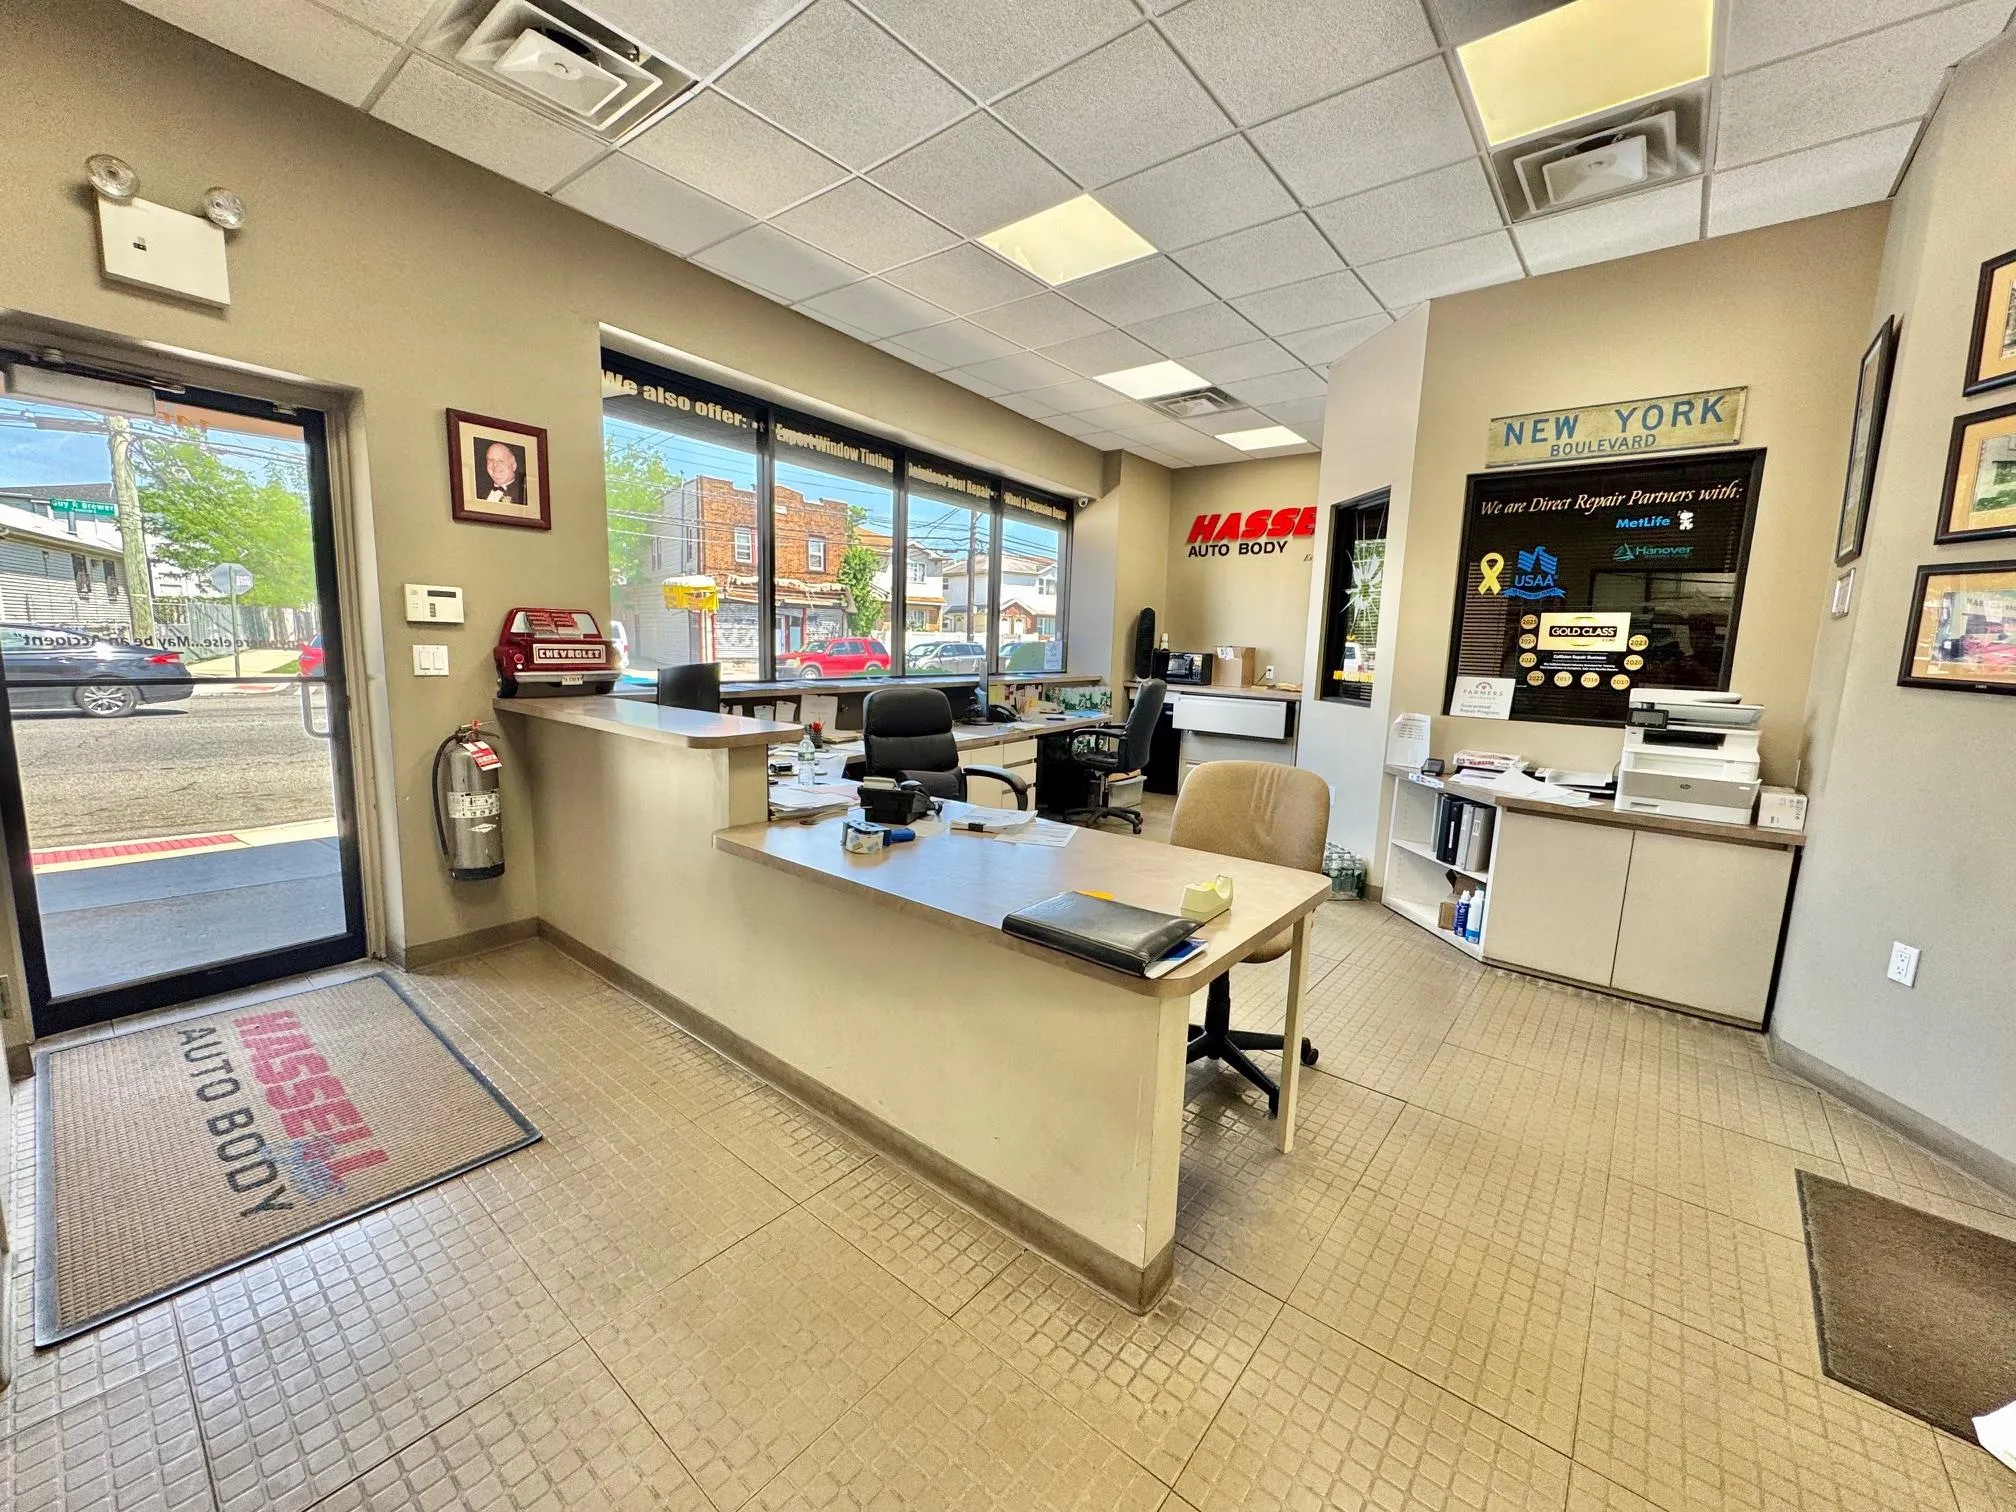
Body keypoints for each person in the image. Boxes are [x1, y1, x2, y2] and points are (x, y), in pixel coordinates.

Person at [476, 440, 525, 505]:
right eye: (491, 460)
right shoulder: (478, 490)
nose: (495, 465)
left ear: (514, 465)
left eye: (501, 461)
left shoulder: (524, 495)